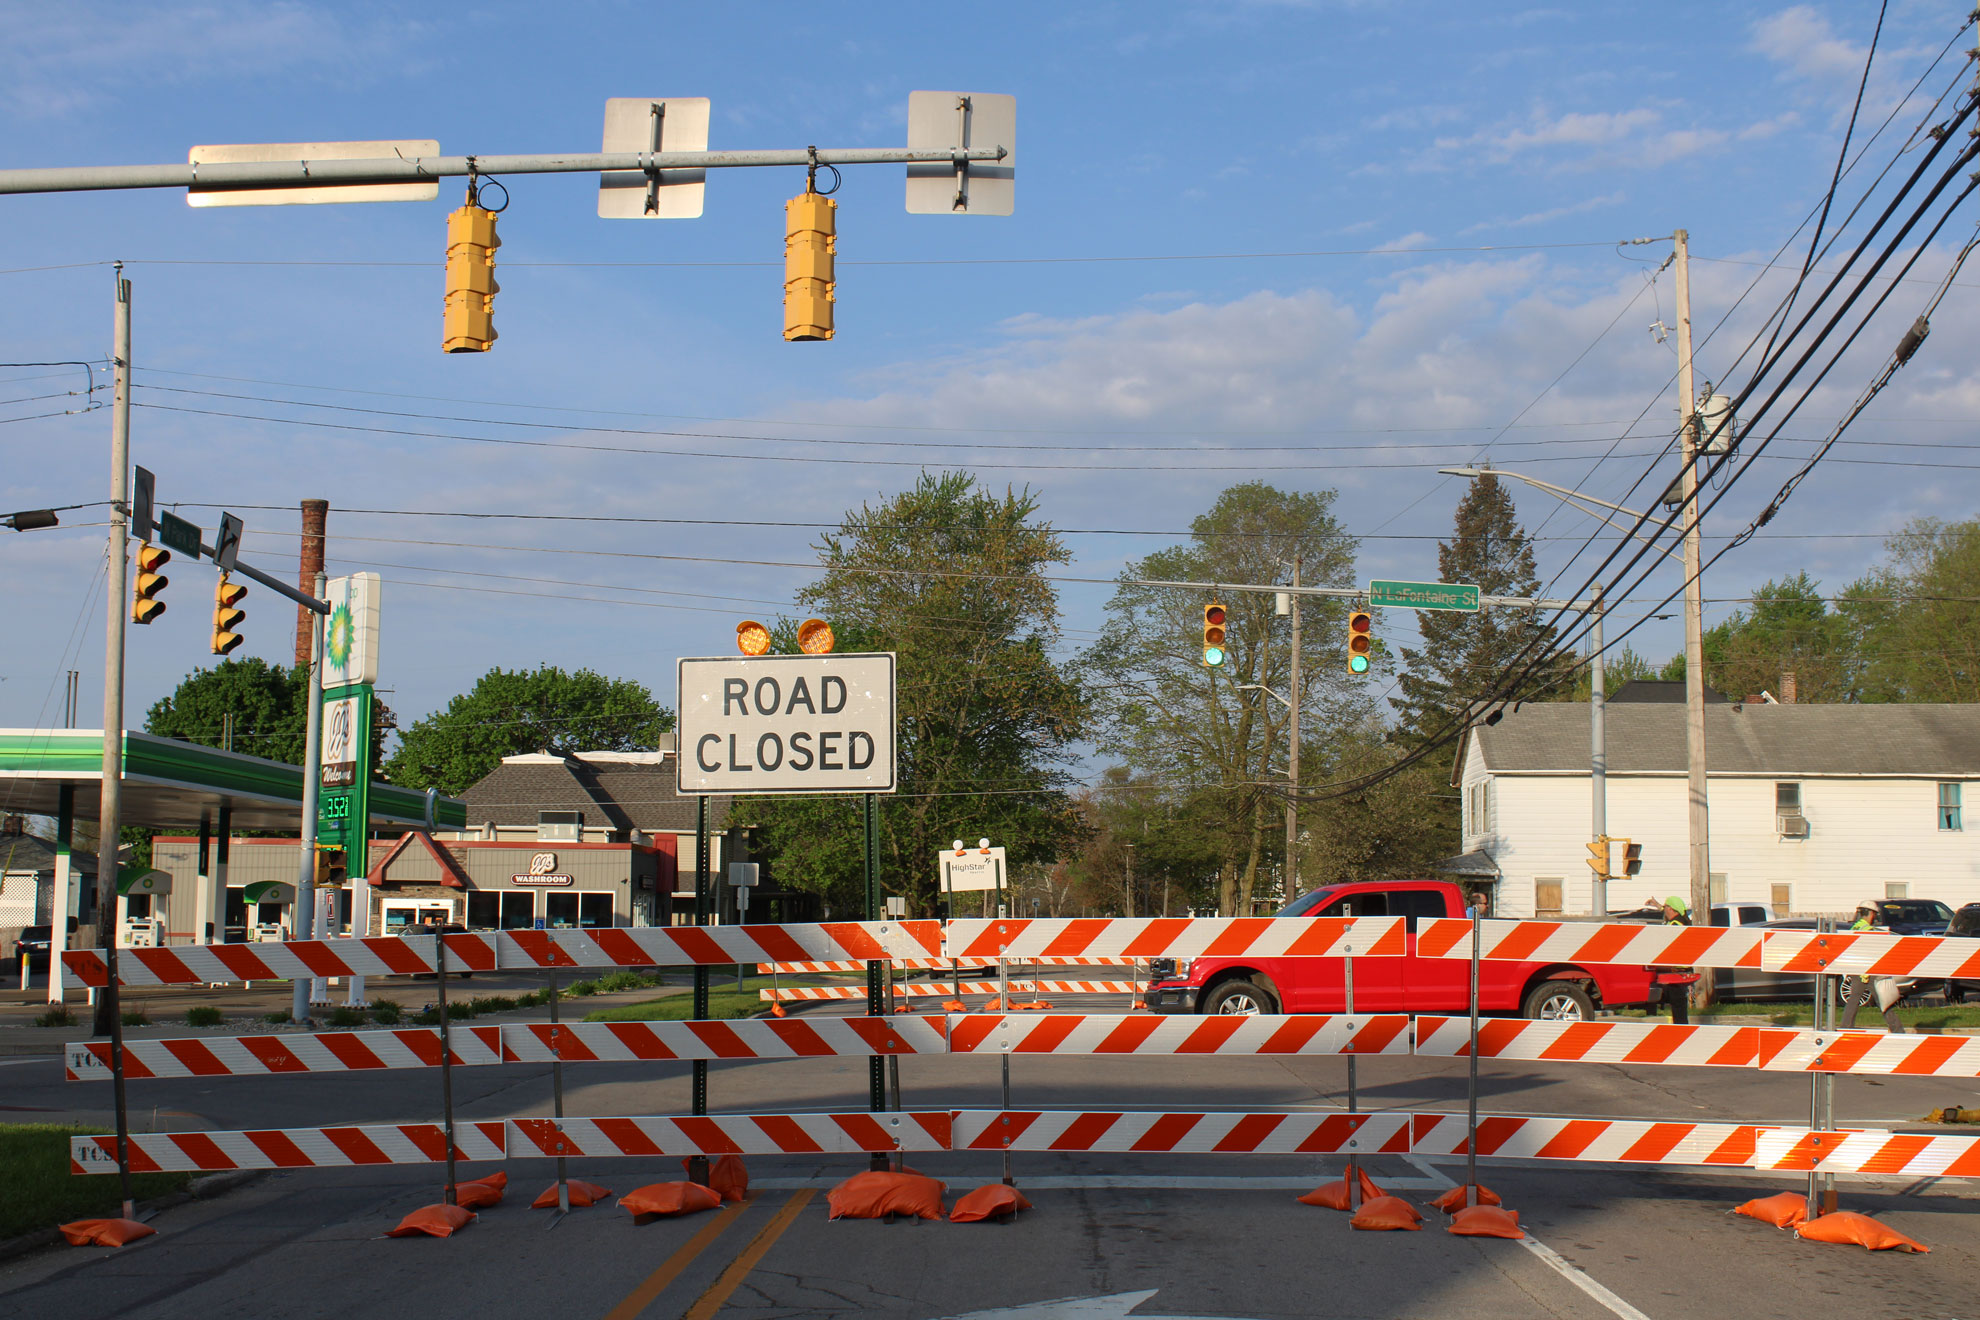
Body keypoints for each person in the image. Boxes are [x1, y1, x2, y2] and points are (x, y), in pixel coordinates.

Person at [1841, 902, 1905, 1033]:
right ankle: (1897, 1029)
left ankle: (1845, 1027)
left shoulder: (1855, 927)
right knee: (1884, 999)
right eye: (1874, 914)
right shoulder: (1868, 930)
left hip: (1857, 969)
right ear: (1871, 913)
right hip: (1867, 970)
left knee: (1854, 999)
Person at [1656, 895, 1693, 1024]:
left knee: (1677, 1002)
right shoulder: (1682, 920)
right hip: (1682, 968)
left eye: (1665, 907)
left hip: (1676, 969)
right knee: (1678, 1002)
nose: (1664, 909)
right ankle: (1681, 1026)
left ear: (1671, 909)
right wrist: (1658, 906)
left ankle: (1681, 1028)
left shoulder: (1675, 924)